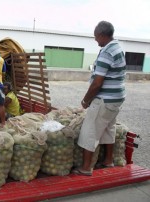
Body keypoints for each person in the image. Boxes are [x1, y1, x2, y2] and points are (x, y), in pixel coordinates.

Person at [73, 21, 126, 176]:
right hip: (116, 99)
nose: (95, 40)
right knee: (108, 128)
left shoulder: (107, 52)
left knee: (89, 130)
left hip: (104, 99)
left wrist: (85, 101)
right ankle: (108, 160)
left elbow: (97, 83)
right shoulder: (117, 48)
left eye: (96, 37)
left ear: (102, 35)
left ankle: (85, 167)